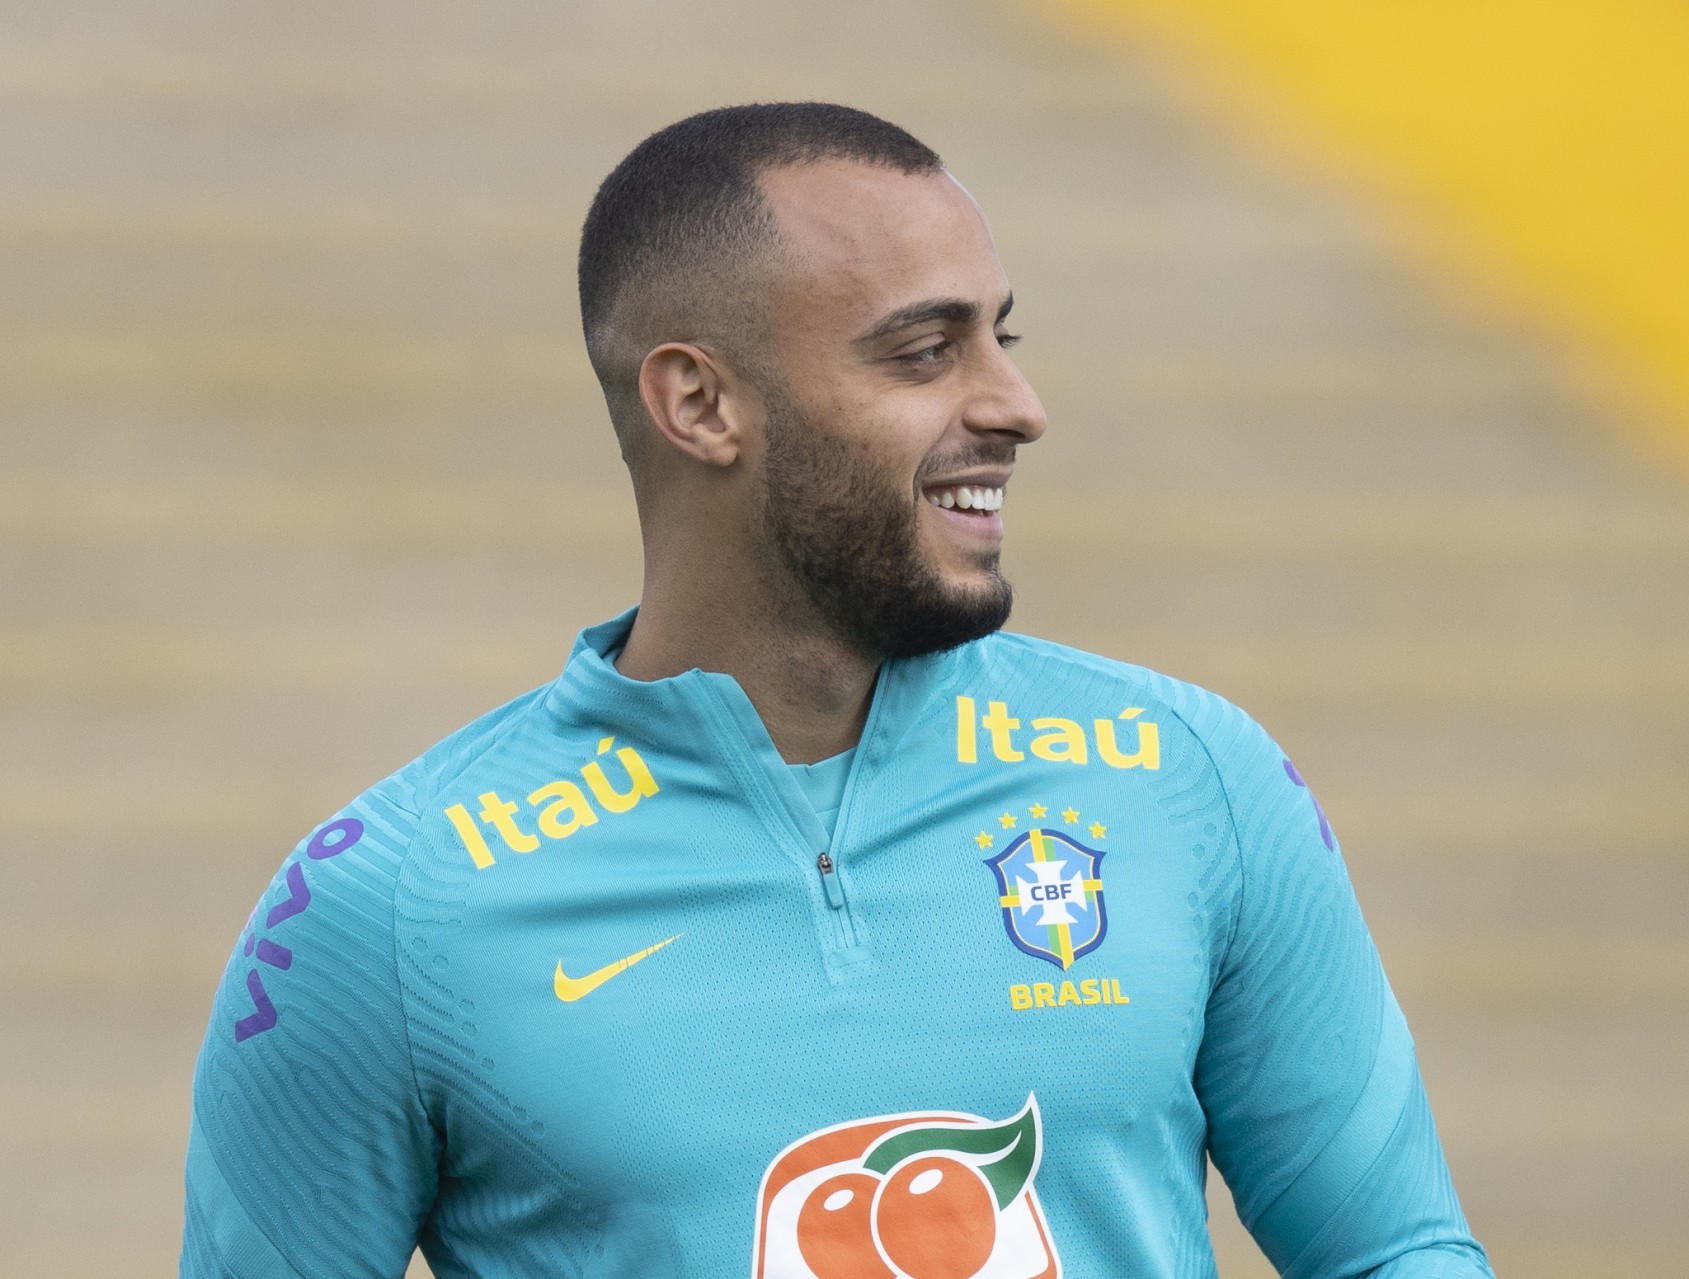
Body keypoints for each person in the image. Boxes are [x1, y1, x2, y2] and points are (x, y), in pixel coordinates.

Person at [181, 103, 1494, 1279]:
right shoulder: (388, 906)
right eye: (924, 352)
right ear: (700, 404)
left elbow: (1397, 1251)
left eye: (1002, 337)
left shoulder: (1189, 777)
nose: (1017, 404)